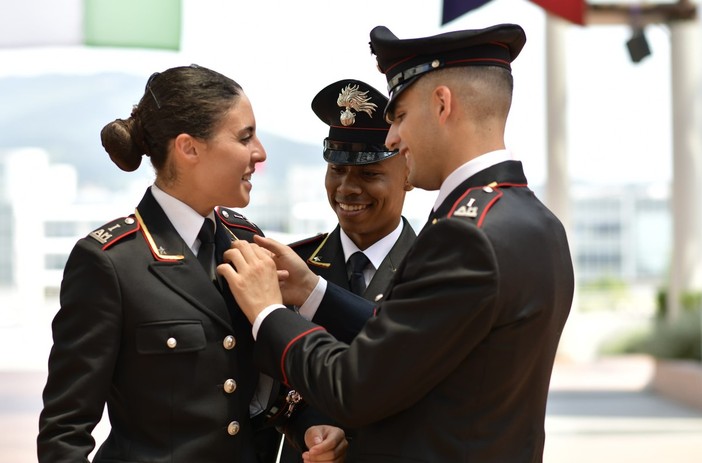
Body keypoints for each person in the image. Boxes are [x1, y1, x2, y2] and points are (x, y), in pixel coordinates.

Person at [220, 23, 574, 462]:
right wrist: (312, 292)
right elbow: (421, 344)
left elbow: (355, 386)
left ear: (442, 105)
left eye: (400, 117)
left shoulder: (464, 236)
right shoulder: (535, 221)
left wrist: (268, 310)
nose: (392, 138)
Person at [37, 64, 346, 463]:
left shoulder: (245, 240)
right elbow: (64, 431)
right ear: (189, 148)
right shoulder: (109, 262)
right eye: (244, 137)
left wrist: (309, 425)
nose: (260, 153)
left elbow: (266, 391)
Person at [278, 79, 416, 463]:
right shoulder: (294, 266)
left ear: (408, 173)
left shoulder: (435, 268)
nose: (347, 188)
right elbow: (268, 382)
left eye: (369, 174)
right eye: (337, 169)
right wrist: (308, 425)